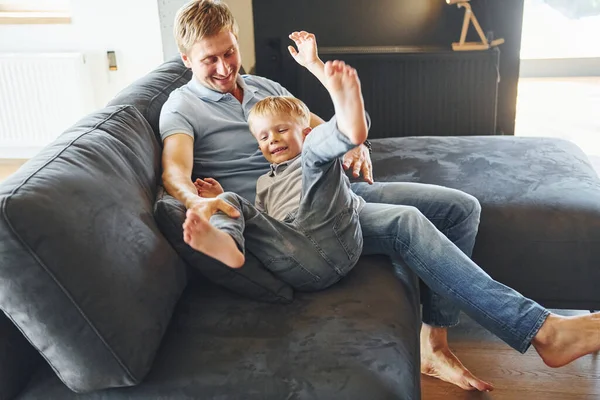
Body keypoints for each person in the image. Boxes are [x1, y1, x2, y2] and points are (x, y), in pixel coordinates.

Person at [160, 0, 600, 392]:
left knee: (459, 208)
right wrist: (195, 201)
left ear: (236, 41)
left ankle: (434, 344)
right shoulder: (181, 107)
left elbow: (315, 125)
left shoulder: (263, 87)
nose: (224, 67)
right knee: (405, 221)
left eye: (229, 52)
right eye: (209, 60)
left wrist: (357, 145)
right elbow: (174, 171)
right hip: (284, 217)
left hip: (334, 191)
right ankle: (543, 332)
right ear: (185, 59)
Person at [183, 60, 368, 292]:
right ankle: (228, 243)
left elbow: (320, 154)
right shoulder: (263, 183)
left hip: (331, 233)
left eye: (281, 130)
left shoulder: (312, 159)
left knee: (315, 152)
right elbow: (261, 220)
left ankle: (348, 127)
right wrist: (221, 198)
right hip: (293, 255)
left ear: (305, 132)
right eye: (264, 137)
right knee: (230, 201)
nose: (273, 139)